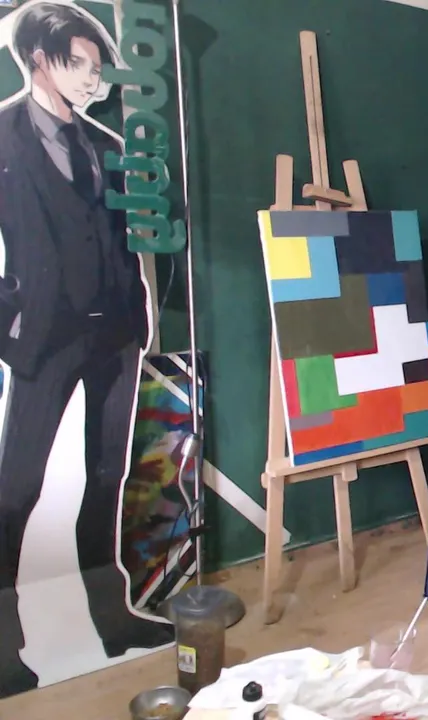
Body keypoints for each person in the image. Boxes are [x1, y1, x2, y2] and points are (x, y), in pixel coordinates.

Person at [0, 2, 170, 696]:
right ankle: (3, 647)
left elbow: (127, 238)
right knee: (17, 490)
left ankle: (114, 620)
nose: (93, 79)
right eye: (80, 64)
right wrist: (12, 318)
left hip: (115, 334)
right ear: (39, 61)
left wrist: (138, 312)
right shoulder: (3, 136)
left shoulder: (104, 144)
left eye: (98, 68)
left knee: (107, 479)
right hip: (43, 338)